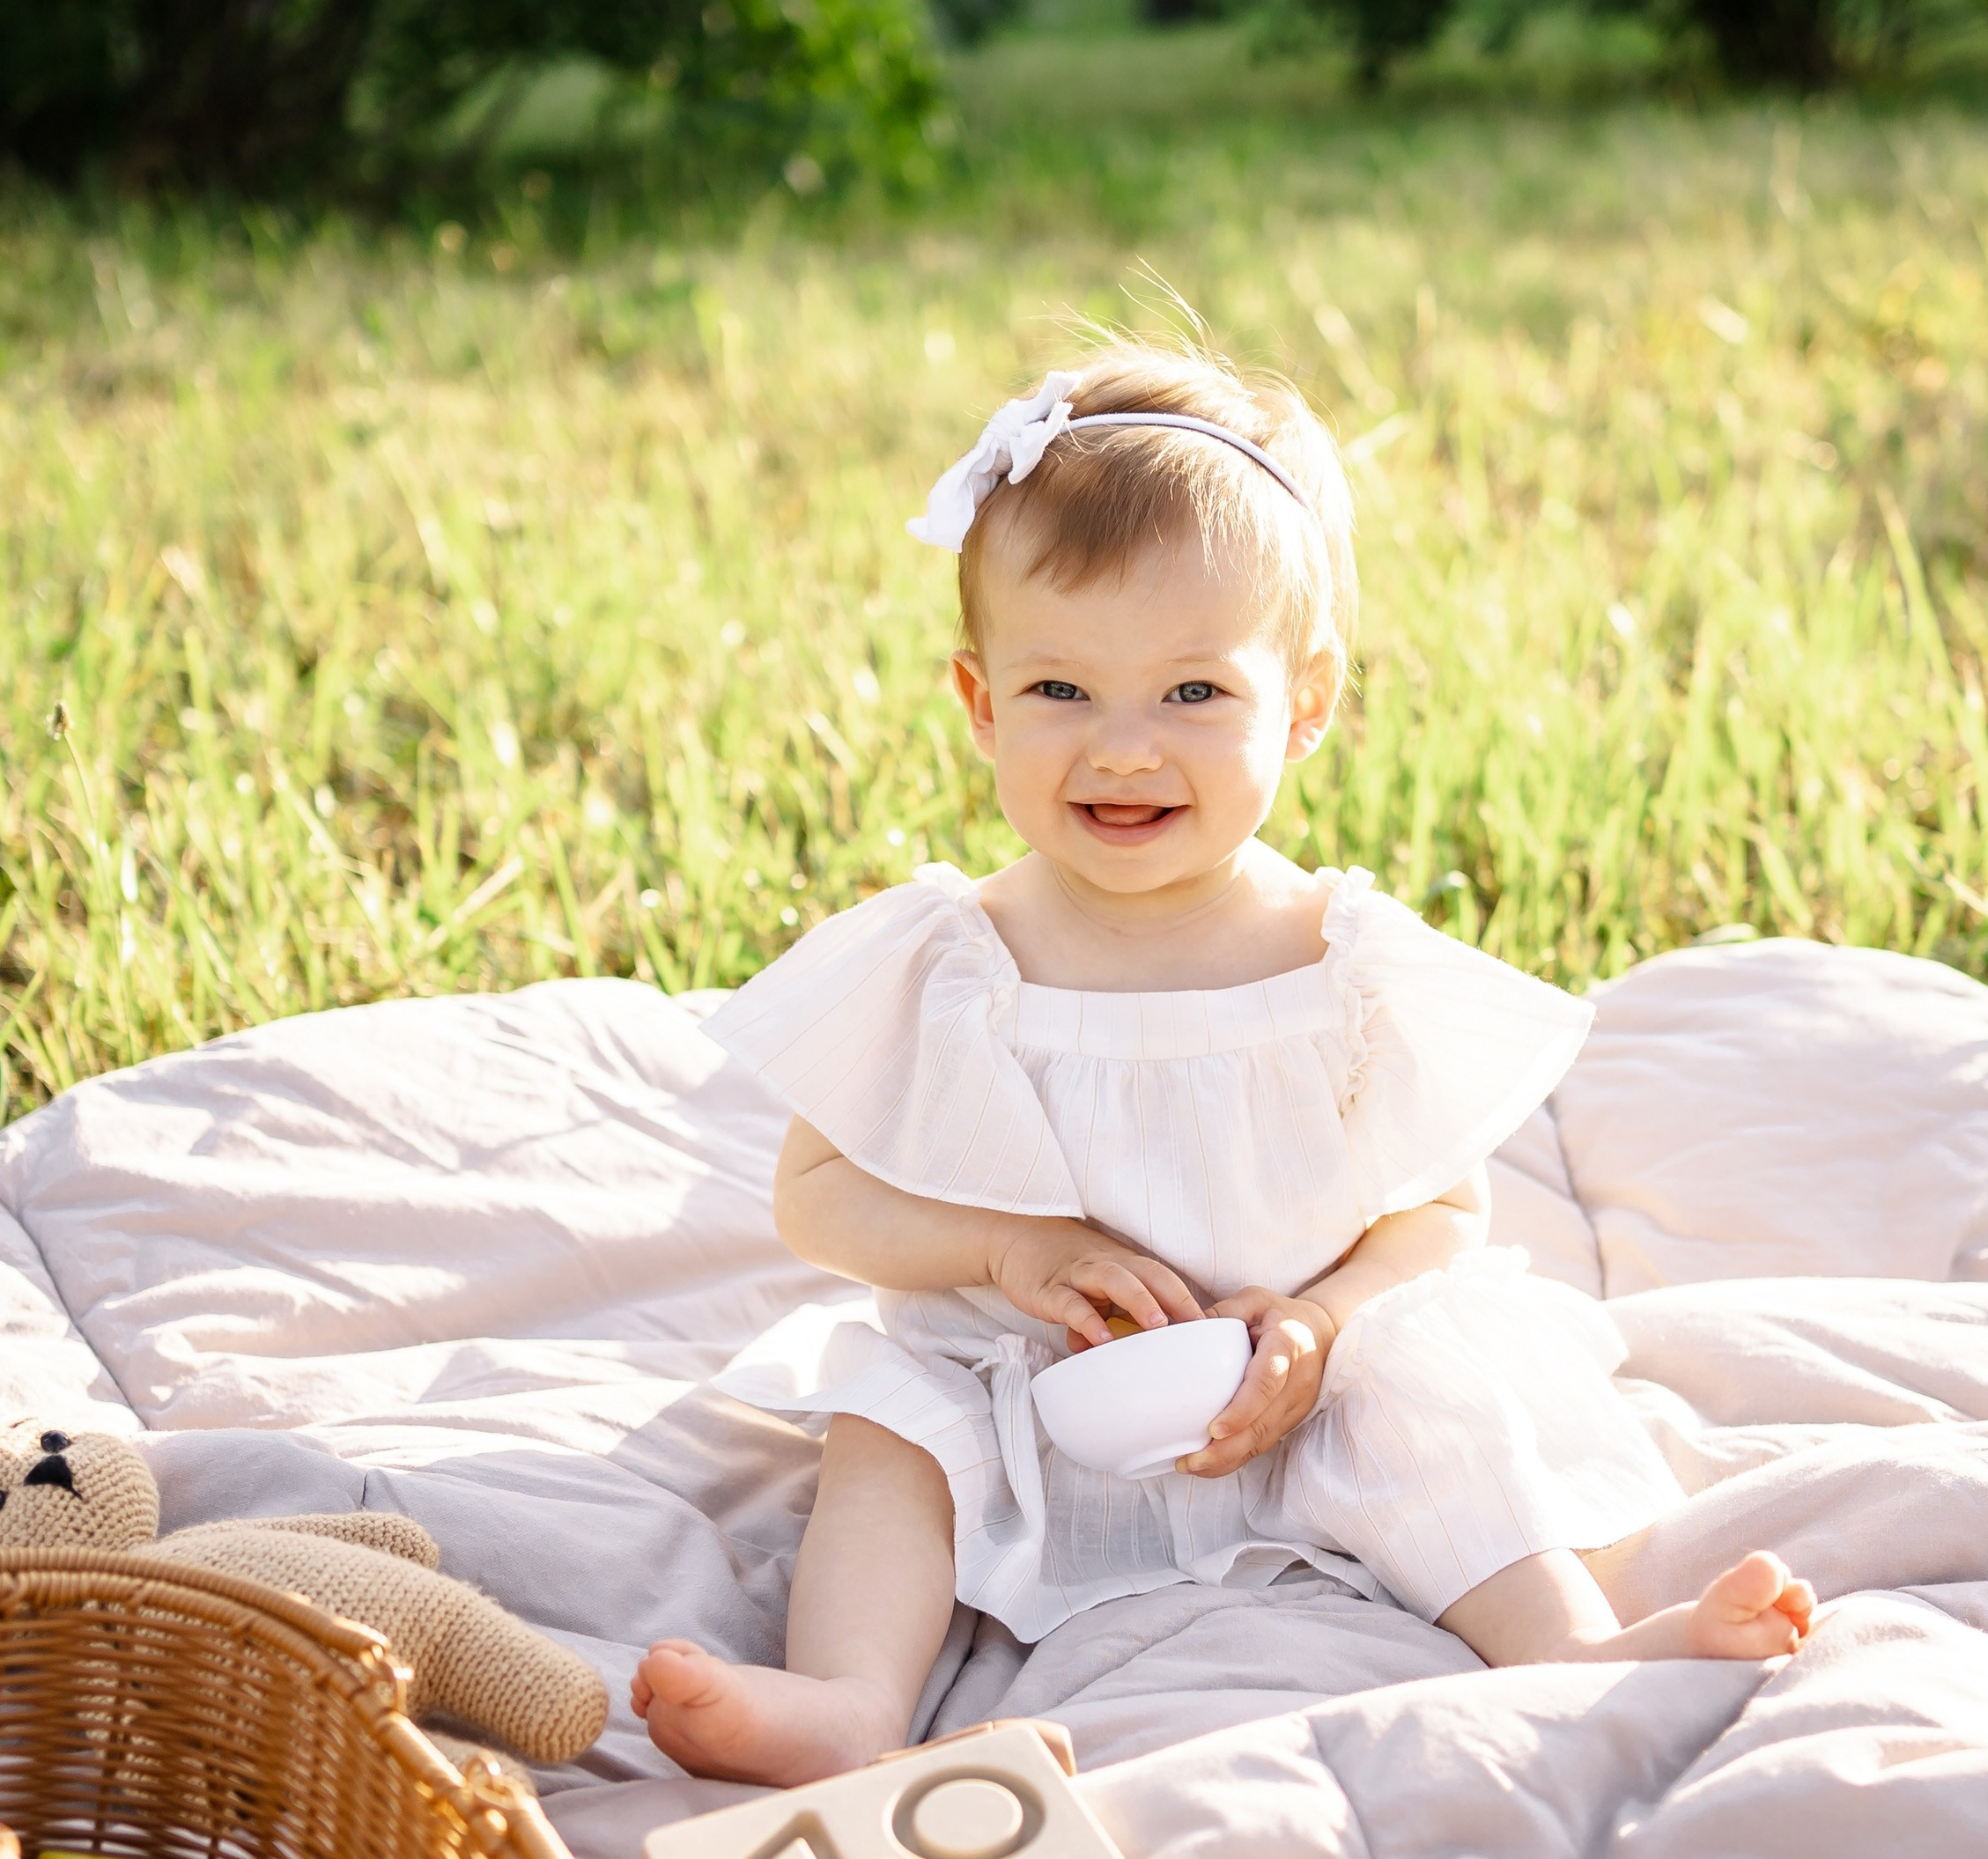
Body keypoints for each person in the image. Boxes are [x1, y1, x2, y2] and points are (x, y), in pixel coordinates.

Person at [636, 343, 1813, 1781]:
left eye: (1194, 693)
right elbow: (817, 1199)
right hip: (1030, 1385)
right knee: (890, 1424)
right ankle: (847, 1702)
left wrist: (1321, 1323)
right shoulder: (953, 961)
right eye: (1062, 688)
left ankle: (1570, 1645)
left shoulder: (1345, 966)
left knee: (1438, 1386)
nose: (1124, 750)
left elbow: (1439, 1217)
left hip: (1294, 1388)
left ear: (1304, 702)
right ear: (981, 703)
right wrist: (1009, 1250)